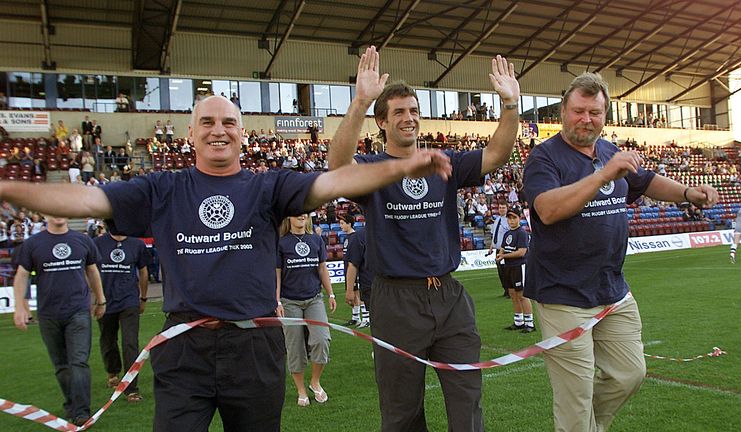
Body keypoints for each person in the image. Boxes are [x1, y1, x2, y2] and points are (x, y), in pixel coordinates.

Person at [0, 94, 451, 431]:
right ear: (191, 134)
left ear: (241, 132)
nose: (219, 130)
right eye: (208, 122)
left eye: (229, 122)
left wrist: (399, 167)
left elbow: (334, 182)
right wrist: (6, 189)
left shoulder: (268, 187)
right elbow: (84, 198)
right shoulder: (162, 189)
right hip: (183, 349)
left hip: (254, 348)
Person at [328, 45, 520, 431]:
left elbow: (496, 154)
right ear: (381, 121)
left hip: (449, 296)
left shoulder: (442, 162)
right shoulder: (371, 169)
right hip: (396, 300)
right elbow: (337, 166)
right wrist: (361, 100)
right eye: (398, 112)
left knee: (467, 401)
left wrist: (511, 106)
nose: (409, 118)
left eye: (413, 110)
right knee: (402, 412)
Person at [522, 72, 718, 432]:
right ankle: (579, 424)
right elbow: (547, 210)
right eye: (578, 110)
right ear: (563, 110)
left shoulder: (611, 151)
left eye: (594, 113)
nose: (586, 119)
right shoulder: (544, 157)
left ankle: (585, 425)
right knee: (575, 396)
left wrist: (689, 193)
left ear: (605, 114)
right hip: (562, 294)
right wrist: (601, 176)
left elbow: (646, 182)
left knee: (630, 373)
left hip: (612, 290)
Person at [13, 216, 105, 427]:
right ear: (45, 214)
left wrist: (101, 299)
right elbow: (22, 275)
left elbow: (92, 270)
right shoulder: (33, 244)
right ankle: (72, 404)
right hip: (49, 314)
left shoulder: (82, 240)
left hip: (78, 311)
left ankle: (82, 412)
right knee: (61, 365)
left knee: (79, 362)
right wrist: (20, 305)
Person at [276, 213, 335, 407]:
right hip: (289, 301)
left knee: (322, 339)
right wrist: (276, 301)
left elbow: (322, 269)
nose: (302, 216)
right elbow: (277, 274)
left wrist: (331, 294)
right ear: (288, 218)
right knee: (295, 347)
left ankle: (315, 382)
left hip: (314, 299)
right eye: (297, 213)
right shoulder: (281, 243)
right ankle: (301, 390)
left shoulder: (316, 239)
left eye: (305, 213)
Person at [93, 228, 149, 402]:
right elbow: (91, 270)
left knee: (130, 343)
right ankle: (112, 371)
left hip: (129, 301)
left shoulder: (137, 244)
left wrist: (143, 297)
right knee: (108, 340)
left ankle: (131, 389)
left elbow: (143, 271)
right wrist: (96, 297)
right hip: (106, 301)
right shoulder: (97, 243)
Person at [497, 207, 534, 332]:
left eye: (514, 218)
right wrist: (500, 254)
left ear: (519, 218)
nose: (511, 221)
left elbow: (521, 252)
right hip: (508, 266)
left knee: (522, 295)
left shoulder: (521, 233)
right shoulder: (508, 233)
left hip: (519, 265)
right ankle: (519, 321)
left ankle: (529, 323)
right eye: (509, 218)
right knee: (513, 294)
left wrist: (503, 255)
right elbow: (503, 247)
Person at [344, 223, 373, 327]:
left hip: (391, 286)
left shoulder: (391, 232)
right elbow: (352, 264)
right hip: (371, 287)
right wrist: (349, 290)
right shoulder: (360, 236)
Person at [339, 213, 364, 326]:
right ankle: (355, 317)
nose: (340, 226)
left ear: (349, 224)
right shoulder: (347, 238)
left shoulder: (355, 237)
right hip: (347, 269)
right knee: (353, 293)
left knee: (359, 293)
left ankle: (366, 318)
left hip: (355, 270)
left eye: (342, 223)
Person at [488, 200, 510, 298]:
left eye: (503, 208)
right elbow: (494, 235)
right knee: (500, 271)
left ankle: (510, 290)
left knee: (507, 270)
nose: (501, 209)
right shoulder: (497, 219)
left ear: (507, 208)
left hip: (505, 249)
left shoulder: (509, 220)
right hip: (497, 249)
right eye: (500, 208)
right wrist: (491, 247)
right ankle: (505, 289)